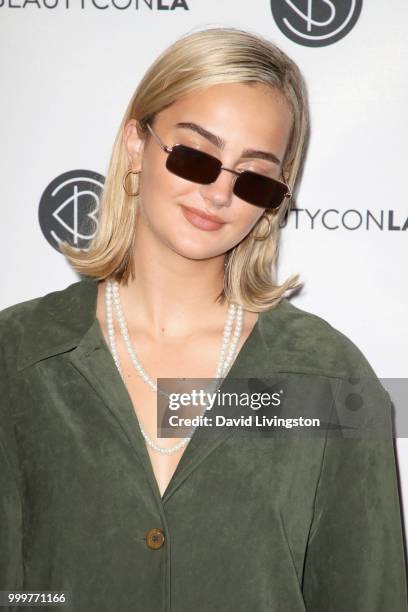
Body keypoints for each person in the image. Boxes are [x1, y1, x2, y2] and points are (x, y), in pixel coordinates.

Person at [0, 26, 407, 612]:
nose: (219, 194)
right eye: (195, 157)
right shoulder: (20, 355)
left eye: (254, 176)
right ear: (137, 145)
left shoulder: (331, 380)